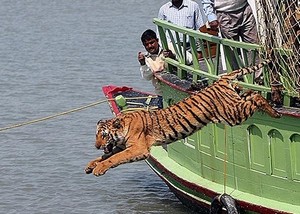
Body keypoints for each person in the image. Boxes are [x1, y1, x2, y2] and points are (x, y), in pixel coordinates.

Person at [201, 0, 258, 70]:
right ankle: (239, 76)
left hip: (245, 8)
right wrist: (211, 17)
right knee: (232, 49)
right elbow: (206, 1)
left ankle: (255, 76)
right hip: (225, 14)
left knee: (252, 45)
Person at [138, 29, 193, 95]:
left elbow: (190, 59)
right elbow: (147, 77)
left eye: (152, 42)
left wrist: (173, 57)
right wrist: (143, 64)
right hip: (162, 93)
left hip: (182, 88)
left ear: (157, 40)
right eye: (146, 44)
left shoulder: (170, 47)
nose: (150, 46)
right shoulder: (146, 58)